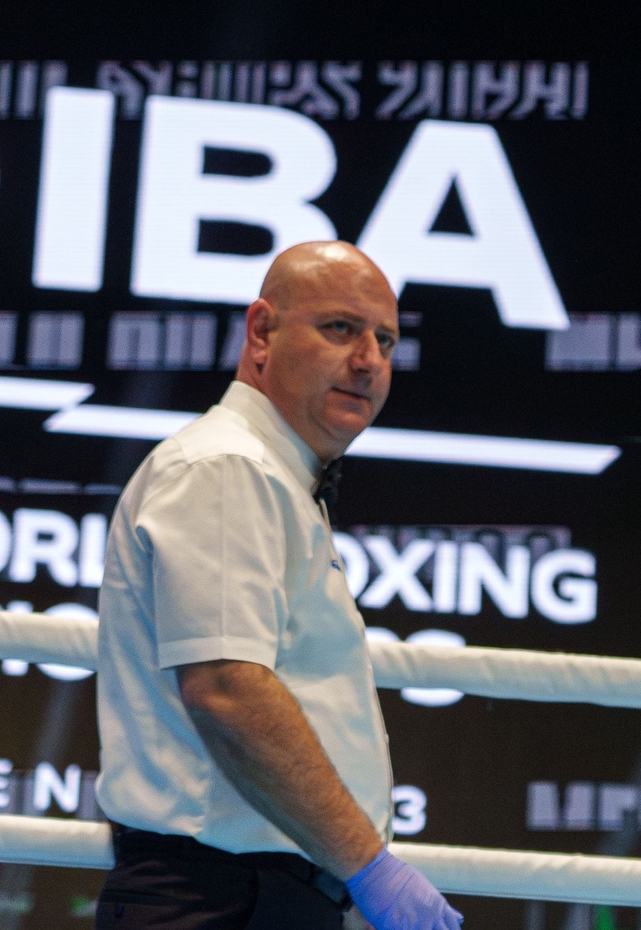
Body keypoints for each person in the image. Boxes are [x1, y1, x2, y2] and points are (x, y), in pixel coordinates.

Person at [94, 241, 462, 930]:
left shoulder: (277, 476)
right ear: (261, 332)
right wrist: (370, 866)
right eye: (341, 328)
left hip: (254, 894)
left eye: (385, 339)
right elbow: (229, 687)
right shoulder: (229, 466)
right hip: (220, 899)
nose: (369, 361)